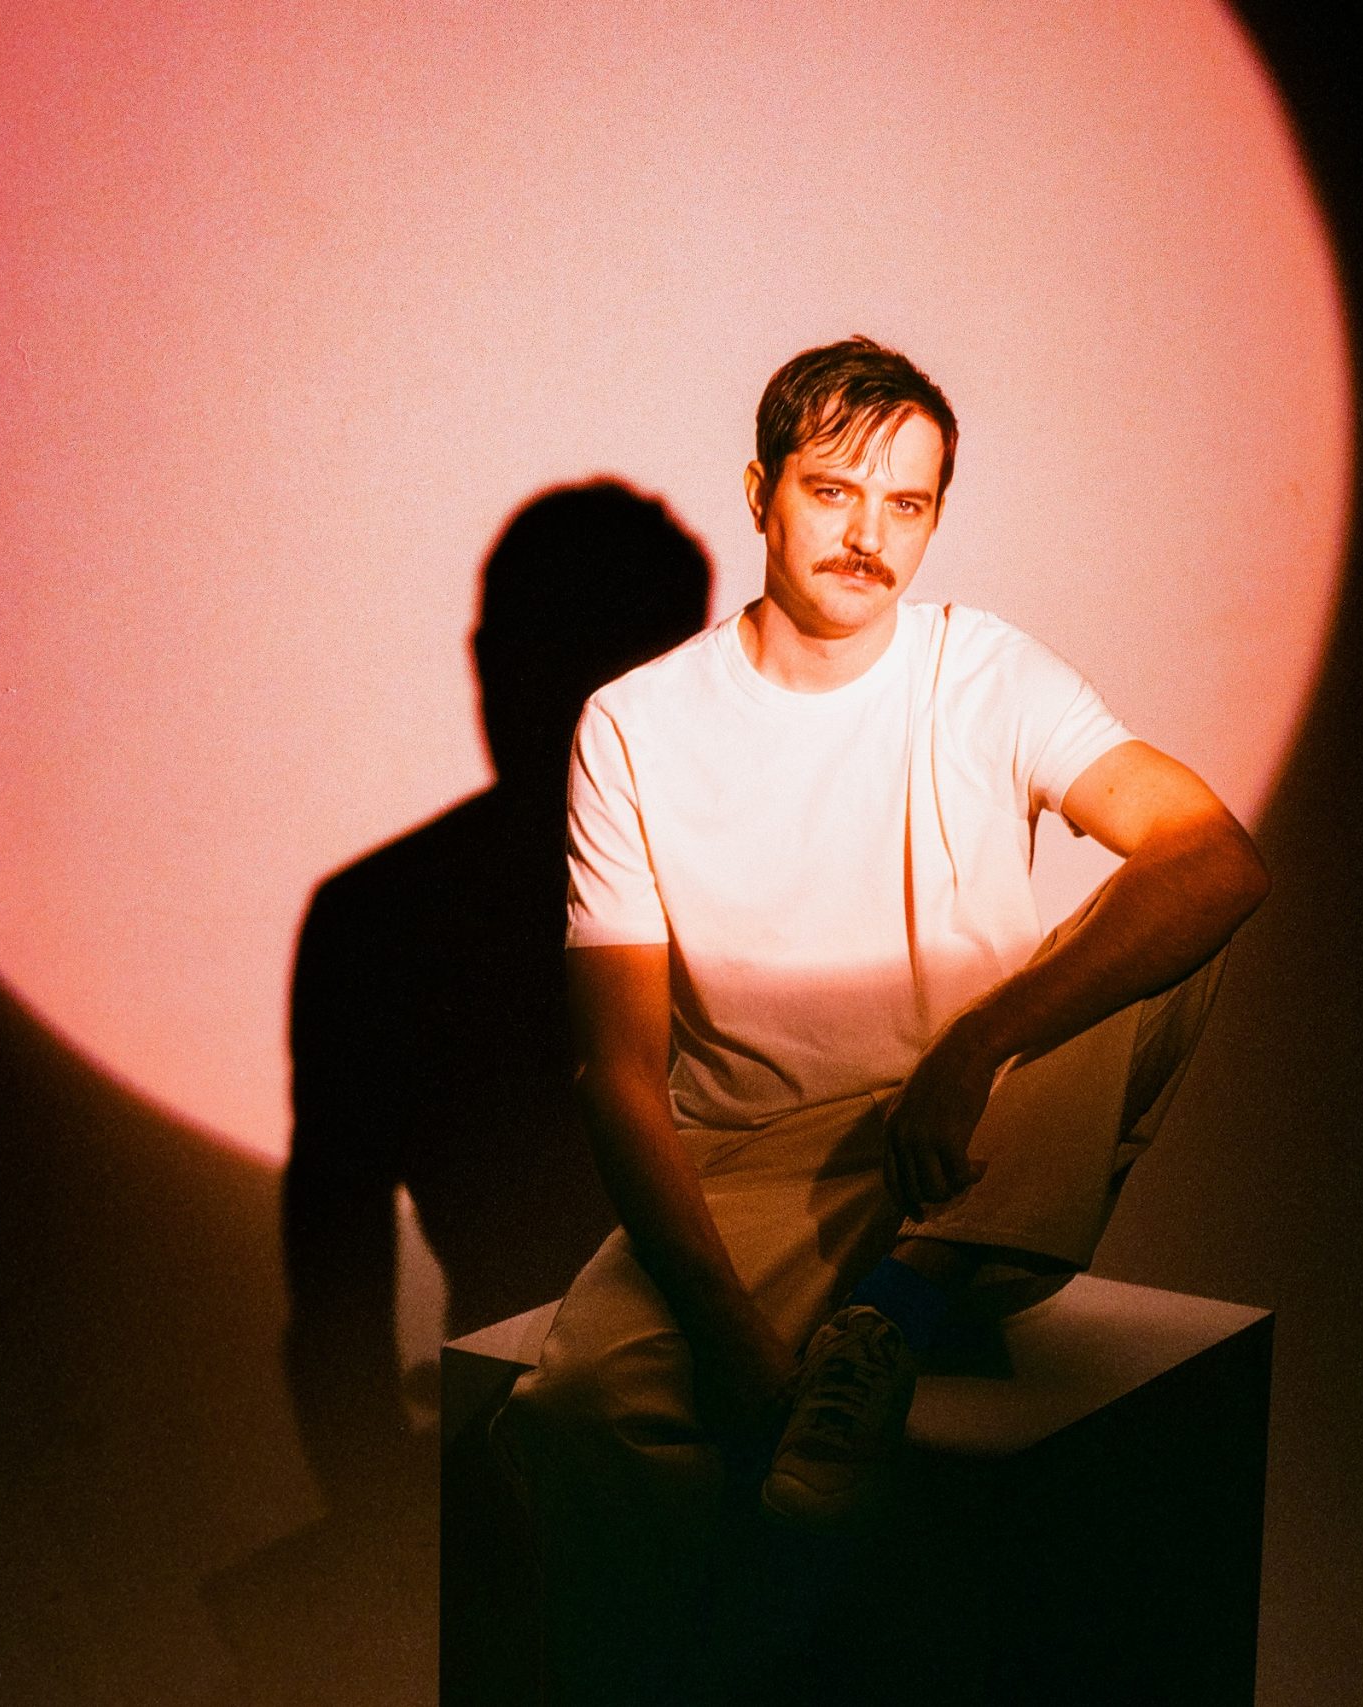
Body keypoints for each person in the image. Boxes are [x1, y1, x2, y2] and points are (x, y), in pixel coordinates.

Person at [491, 337, 1269, 1703]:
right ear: (761, 493)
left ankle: (900, 1305)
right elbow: (617, 1072)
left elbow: (1218, 863)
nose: (868, 535)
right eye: (833, 490)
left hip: (979, 1142)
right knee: (573, 1408)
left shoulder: (985, 671)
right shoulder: (635, 726)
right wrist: (739, 1354)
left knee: (1168, 906)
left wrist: (977, 1046)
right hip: (765, 1172)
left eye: (905, 503)